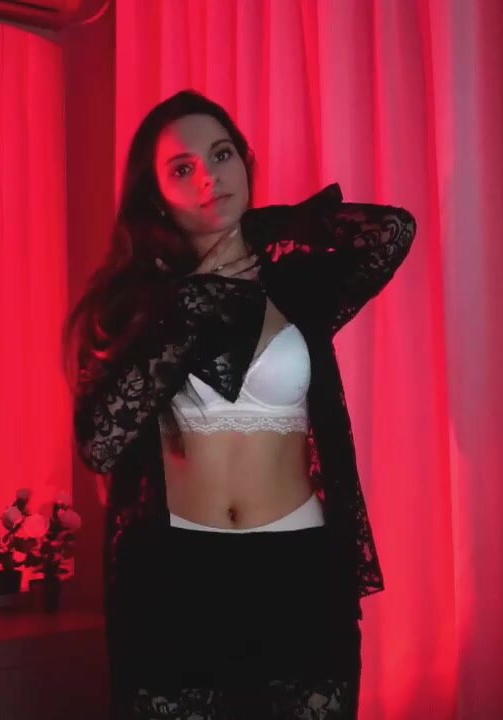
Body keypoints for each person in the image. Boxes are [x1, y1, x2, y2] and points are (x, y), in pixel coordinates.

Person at [67, 90, 417, 719]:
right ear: (156, 196)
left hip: (299, 571)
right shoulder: (138, 304)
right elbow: (101, 443)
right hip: (177, 577)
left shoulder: (296, 282)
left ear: (244, 162)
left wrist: (269, 226)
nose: (210, 177)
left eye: (222, 154)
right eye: (183, 168)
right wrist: (192, 300)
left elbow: (392, 232)